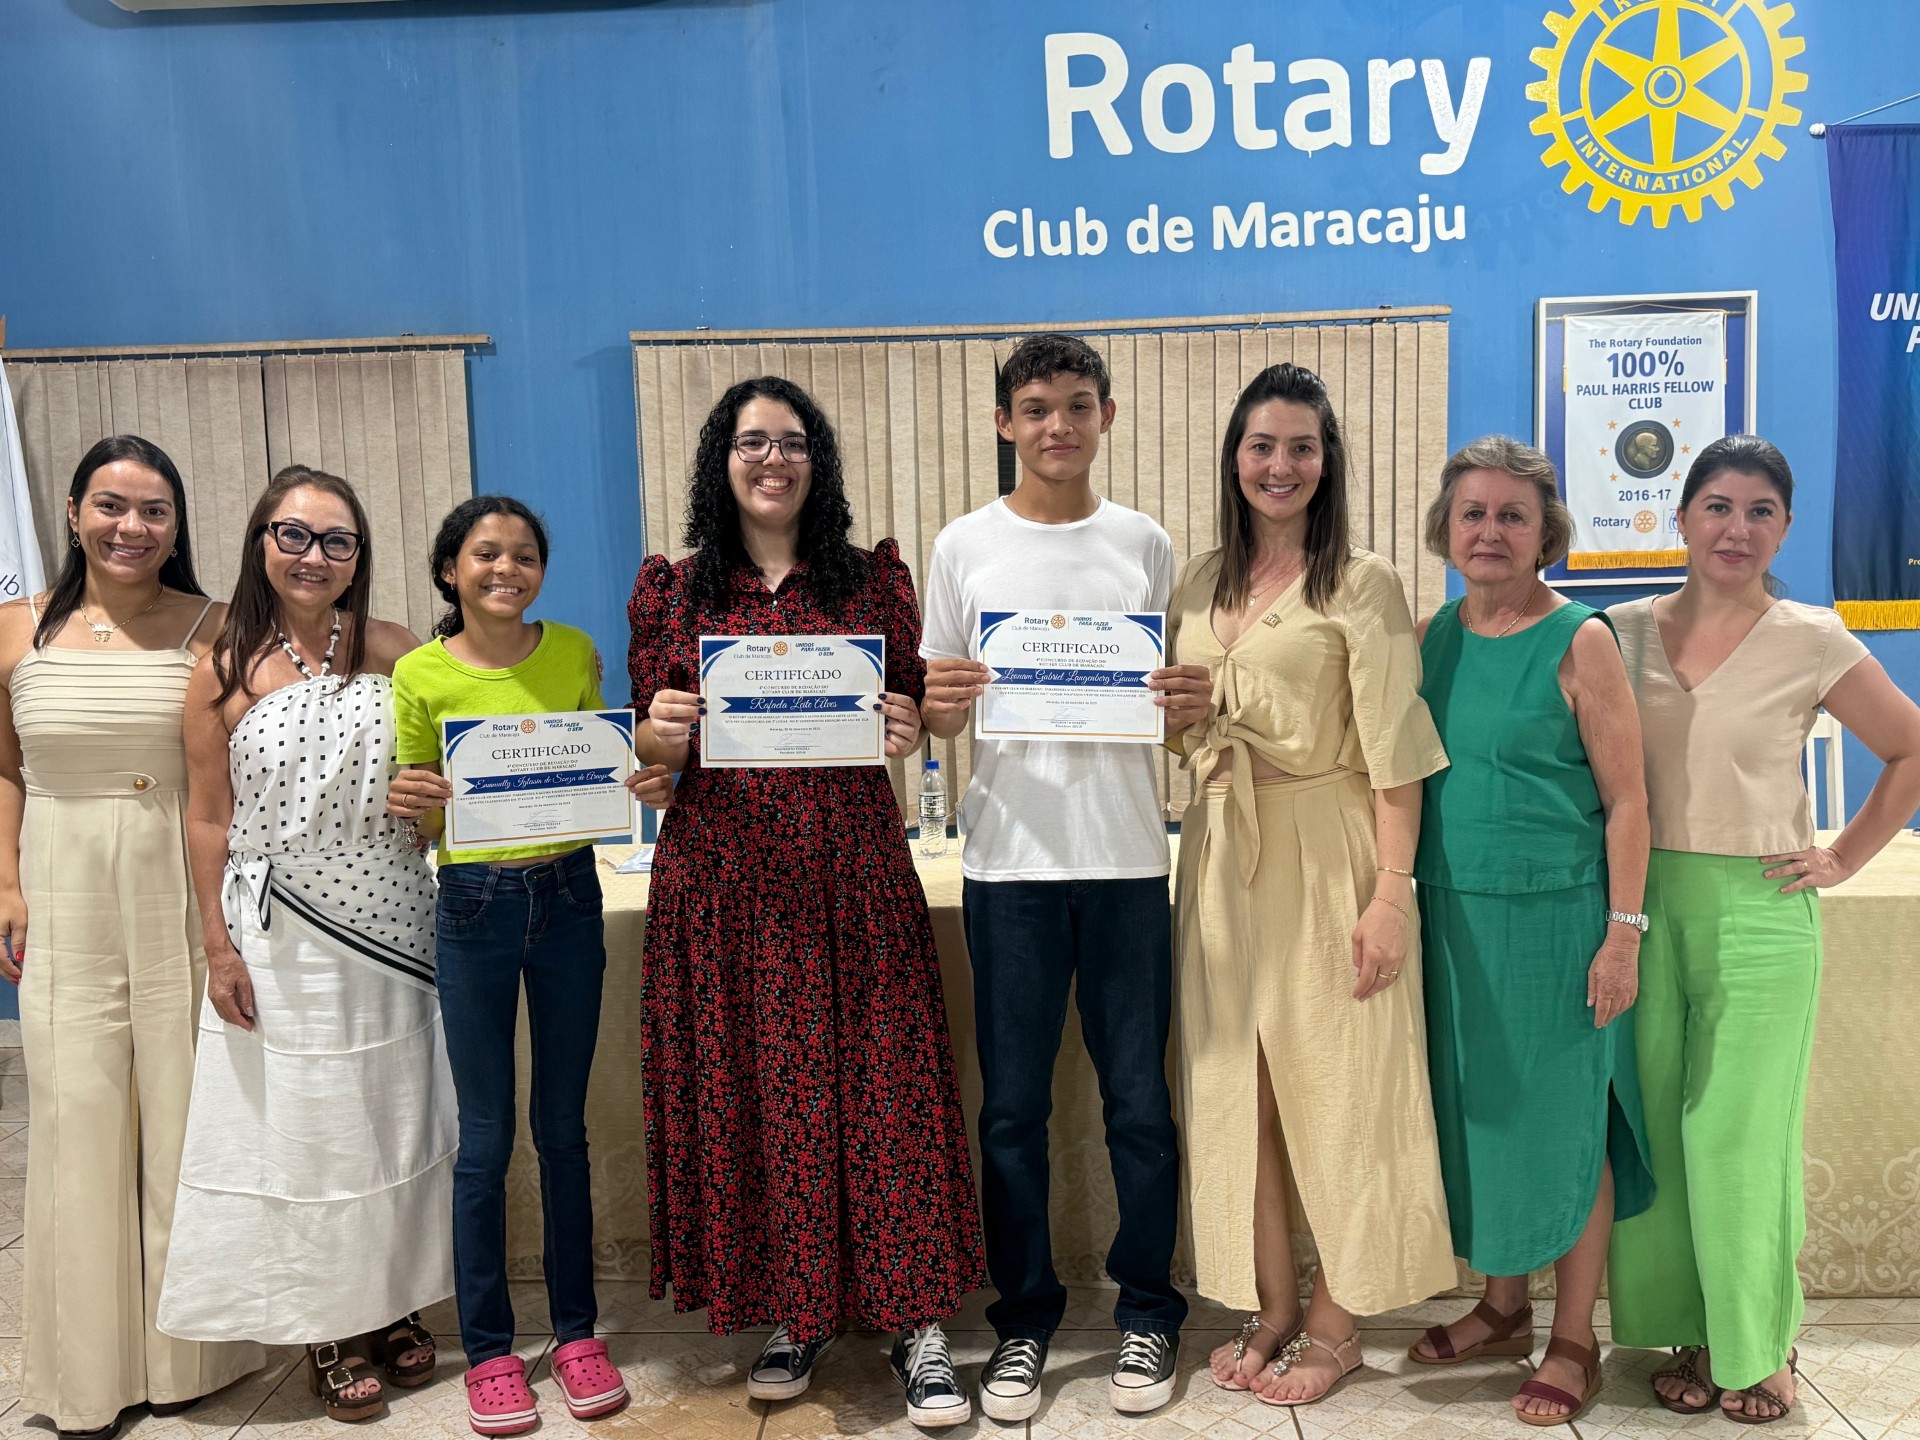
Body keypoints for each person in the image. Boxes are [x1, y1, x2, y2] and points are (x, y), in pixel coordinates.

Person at [629, 376, 984, 1430]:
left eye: (791, 443)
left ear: (816, 461)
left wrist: (908, 730)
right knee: (766, 1101)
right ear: (720, 461)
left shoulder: (872, 583)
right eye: (751, 442)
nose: (771, 459)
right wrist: (661, 731)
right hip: (724, 885)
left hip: (852, 873)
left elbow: (914, 715)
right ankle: (800, 1307)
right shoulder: (675, 591)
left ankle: (918, 1323)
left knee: (886, 1088)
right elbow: (650, 748)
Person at [1606, 435, 1920, 1424]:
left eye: (1759, 511)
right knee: (1657, 1131)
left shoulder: (1813, 636)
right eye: (1717, 506)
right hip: (1643, 910)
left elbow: (1909, 748)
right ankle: (1694, 1334)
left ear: (1783, 527)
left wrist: (1844, 856)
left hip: (1763, 916)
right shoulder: (1617, 631)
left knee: (1735, 1136)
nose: (1736, 528)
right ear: (1682, 517)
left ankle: (1760, 1346)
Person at [920, 333, 1205, 1421]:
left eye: (1076, 406)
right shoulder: (963, 546)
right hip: (1009, 864)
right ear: (1004, 423)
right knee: (1014, 1113)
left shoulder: (1146, 542)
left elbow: (1167, 696)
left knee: (1140, 1105)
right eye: (1035, 408)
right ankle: (1025, 1322)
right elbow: (941, 708)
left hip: (1132, 859)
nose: (1056, 426)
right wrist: (946, 702)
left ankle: (1146, 1315)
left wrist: (1180, 702)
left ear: (1107, 416)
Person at [1163, 363, 1452, 1409]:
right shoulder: (1196, 580)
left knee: (1342, 1080)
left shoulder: (1358, 582)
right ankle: (1272, 1300)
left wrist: (1391, 893)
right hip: (1221, 851)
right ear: (1233, 458)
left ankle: (1340, 1316)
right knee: (1244, 1087)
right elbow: (1182, 730)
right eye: (1260, 446)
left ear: (1327, 464)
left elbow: (1396, 757)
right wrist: (1177, 713)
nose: (1279, 465)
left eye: (1301, 447)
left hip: (1327, 842)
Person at [157, 465, 458, 1422]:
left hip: (394, 915)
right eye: (293, 535)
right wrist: (216, 945)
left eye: (337, 540)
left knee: (397, 1114)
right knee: (308, 1126)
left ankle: (401, 1301)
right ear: (259, 542)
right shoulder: (220, 666)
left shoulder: (398, 649)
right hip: (282, 928)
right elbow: (207, 819)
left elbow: (441, 787)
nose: (313, 556)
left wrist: (436, 811)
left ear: (359, 556)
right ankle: (327, 1323)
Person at [385, 497, 667, 1438]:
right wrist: (414, 799)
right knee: (485, 1137)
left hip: (570, 899)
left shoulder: (576, 651)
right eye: (485, 554)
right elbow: (422, 817)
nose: (506, 569)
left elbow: (599, 774)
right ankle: (494, 1347)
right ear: (451, 568)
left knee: (564, 1129)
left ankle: (578, 1331)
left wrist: (635, 780)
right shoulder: (420, 672)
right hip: (472, 907)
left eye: (524, 556)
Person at [0, 435, 261, 1439]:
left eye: (154, 511)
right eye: (111, 506)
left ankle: (193, 1354)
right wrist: (9, 880)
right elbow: (7, 766)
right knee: (76, 1114)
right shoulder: (18, 626)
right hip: (62, 883)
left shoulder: (215, 626)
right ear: (72, 512)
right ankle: (84, 1371)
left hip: (177, 883)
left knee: (185, 1113)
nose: (131, 528)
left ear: (176, 525)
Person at [1405, 436, 1655, 1426]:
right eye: (1473, 513)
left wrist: (1623, 932)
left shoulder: (1580, 637)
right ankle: (1502, 1304)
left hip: (1560, 927)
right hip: (1455, 921)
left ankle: (1575, 1337)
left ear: (1546, 530)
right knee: (1486, 1128)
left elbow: (1629, 803)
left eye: (1513, 514)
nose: (1491, 531)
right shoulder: (1433, 637)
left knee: (1566, 1131)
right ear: (1448, 527)